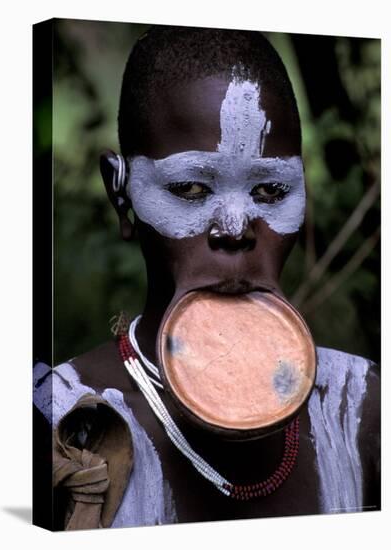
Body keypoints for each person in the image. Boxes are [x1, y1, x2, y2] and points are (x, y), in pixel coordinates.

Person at [33, 26, 380, 530]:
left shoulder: (363, 409)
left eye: (270, 191)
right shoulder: (57, 420)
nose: (234, 229)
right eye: (190, 188)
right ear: (120, 194)